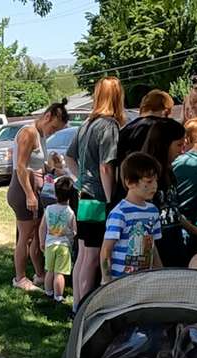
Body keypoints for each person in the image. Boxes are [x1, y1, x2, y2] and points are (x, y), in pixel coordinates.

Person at [66, 77, 127, 307]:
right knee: (93, 257)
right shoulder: (109, 126)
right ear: (117, 97)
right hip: (99, 198)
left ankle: (76, 306)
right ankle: (83, 309)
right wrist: (111, 200)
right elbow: (106, 166)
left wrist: (80, 180)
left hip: (84, 197)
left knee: (83, 254)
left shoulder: (85, 125)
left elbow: (69, 157)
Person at [8, 99, 71, 291]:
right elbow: (21, 166)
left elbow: (39, 166)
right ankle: (19, 278)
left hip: (35, 189)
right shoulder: (28, 133)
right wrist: (29, 194)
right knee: (26, 235)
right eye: (53, 127)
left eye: (56, 130)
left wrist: (54, 167)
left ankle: (39, 275)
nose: (52, 132)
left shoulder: (41, 136)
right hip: (22, 190)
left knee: (37, 234)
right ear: (47, 116)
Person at [143, 118, 197, 267]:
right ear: (163, 144)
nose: (182, 150)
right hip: (158, 249)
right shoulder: (147, 175)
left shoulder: (169, 172)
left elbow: (174, 212)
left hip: (174, 243)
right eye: (178, 145)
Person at [102, 152, 163, 283]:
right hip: (120, 281)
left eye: (156, 180)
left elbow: (153, 245)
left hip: (145, 280)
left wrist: (160, 273)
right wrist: (106, 280)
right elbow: (106, 249)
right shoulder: (120, 213)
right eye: (149, 181)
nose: (155, 186)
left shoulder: (153, 211)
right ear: (130, 182)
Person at [115, 89, 176, 203]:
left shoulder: (125, 131)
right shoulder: (161, 130)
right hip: (153, 190)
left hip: (127, 190)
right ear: (165, 111)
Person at [39, 176, 78, 301]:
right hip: (64, 246)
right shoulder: (70, 212)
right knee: (59, 273)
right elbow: (75, 230)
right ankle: (59, 296)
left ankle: (48, 292)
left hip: (50, 244)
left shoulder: (49, 209)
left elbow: (42, 228)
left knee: (49, 271)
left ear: (55, 194)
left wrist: (42, 241)